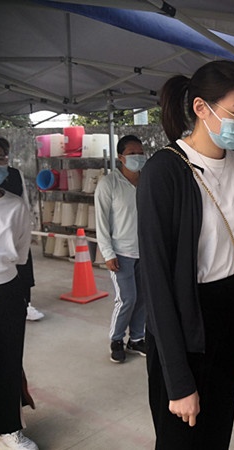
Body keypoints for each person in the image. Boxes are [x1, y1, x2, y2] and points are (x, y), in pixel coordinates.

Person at [136, 60, 234, 449]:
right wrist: (178, 380)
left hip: (229, 316)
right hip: (182, 321)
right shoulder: (165, 171)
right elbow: (156, 280)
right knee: (180, 439)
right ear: (201, 108)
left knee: (216, 432)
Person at [0, 138, 38, 450]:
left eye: (0, 159)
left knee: (7, 363)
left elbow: (20, 255)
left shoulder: (15, 206)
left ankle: (7, 430)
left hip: (5, 292)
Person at [94, 135, 147, 363]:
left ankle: (136, 338)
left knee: (143, 298)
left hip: (145, 252)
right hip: (121, 253)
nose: (138, 157)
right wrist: (108, 254)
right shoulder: (109, 184)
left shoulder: (148, 181)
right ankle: (116, 339)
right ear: (120, 157)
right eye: (132, 153)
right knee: (127, 298)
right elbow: (101, 222)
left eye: (140, 153)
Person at [0, 136, 43, 321]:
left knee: (23, 266)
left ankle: (26, 303)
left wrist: (24, 226)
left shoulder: (13, 175)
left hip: (13, 230)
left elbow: (23, 200)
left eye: (0, 157)